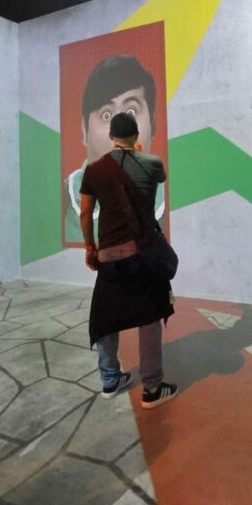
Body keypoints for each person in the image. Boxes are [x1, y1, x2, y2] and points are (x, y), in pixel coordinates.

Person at [80, 111, 178, 409]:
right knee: (148, 317)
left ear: (111, 136)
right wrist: (138, 153)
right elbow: (158, 178)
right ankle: (152, 388)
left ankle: (110, 380)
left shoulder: (93, 170)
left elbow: (85, 213)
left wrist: (90, 246)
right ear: (136, 135)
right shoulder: (152, 163)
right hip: (143, 253)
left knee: (106, 318)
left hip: (109, 255)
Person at [64, 54, 165, 242]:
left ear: (152, 123)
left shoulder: (168, 199)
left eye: (131, 111)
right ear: (84, 130)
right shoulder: (63, 200)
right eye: (106, 114)